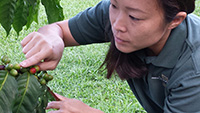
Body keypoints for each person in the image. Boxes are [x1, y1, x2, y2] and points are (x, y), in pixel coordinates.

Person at [20, 0, 200, 112]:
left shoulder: (194, 70)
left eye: (134, 17)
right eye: (114, 5)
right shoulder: (121, 10)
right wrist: (52, 39)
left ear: (175, 20)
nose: (117, 25)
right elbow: (58, 29)